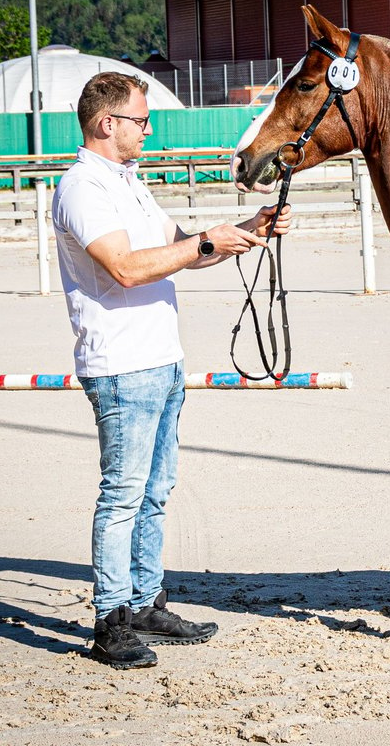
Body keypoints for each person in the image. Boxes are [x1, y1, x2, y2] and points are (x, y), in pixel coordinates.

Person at [52, 71, 292, 669]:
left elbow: (179, 246)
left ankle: (145, 600)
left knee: (155, 492)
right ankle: (110, 619)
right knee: (124, 496)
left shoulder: (129, 185)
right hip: (121, 365)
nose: (148, 129)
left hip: (161, 359)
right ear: (108, 124)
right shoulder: (83, 188)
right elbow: (128, 269)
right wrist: (205, 245)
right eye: (140, 119)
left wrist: (244, 231)